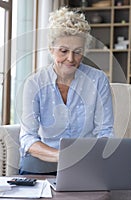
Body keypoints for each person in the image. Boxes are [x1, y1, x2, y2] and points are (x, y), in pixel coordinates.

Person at [18, 7, 114, 175]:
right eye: (63, 51)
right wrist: (60, 156)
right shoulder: (34, 83)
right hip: (45, 160)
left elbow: (106, 131)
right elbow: (28, 137)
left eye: (77, 52)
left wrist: (92, 157)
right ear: (51, 49)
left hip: (86, 161)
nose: (71, 59)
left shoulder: (98, 80)